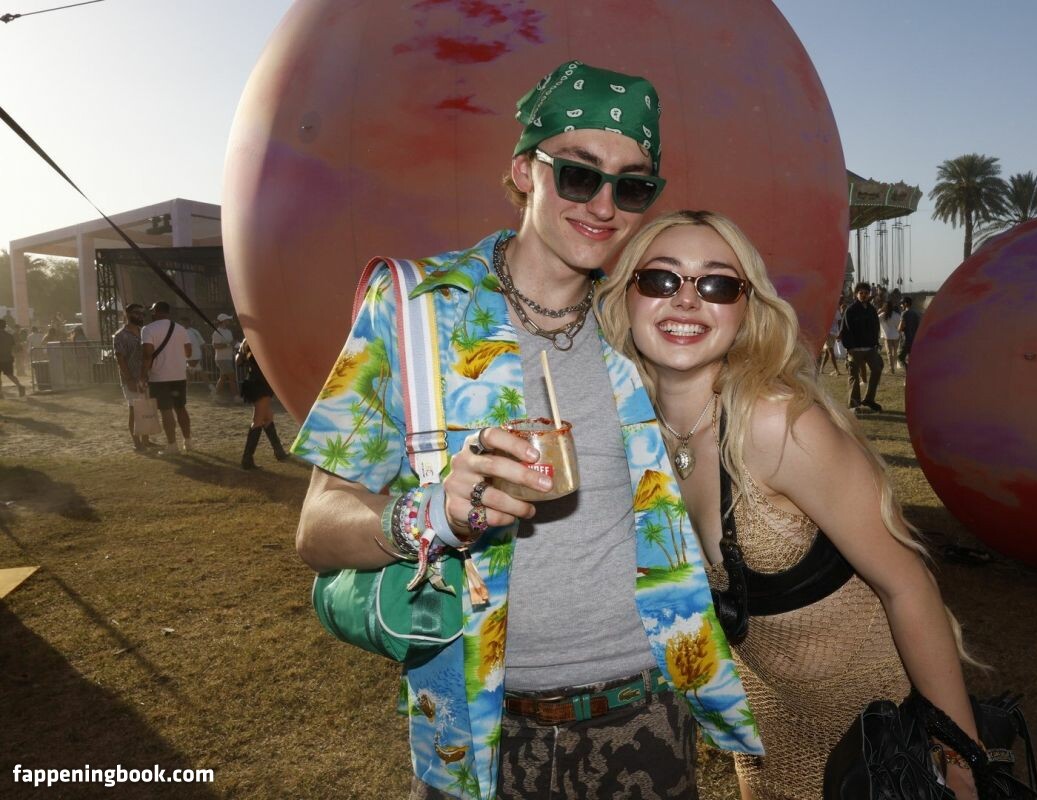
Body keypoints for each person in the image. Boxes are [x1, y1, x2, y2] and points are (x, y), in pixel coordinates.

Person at [292, 61, 762, 800]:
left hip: (645, 722)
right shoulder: (416, 307)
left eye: (631, 186)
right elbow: (316, 530)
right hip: (476, 736)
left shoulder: (643, 321)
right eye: (578, 175)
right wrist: (434, 512)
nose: (604, 206)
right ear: (523, 171)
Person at [596, 210, 981, 800]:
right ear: (626, 295)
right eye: (661, 279)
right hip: (767, 731)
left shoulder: (777, 425)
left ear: (747, 309)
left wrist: (958, 756)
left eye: (717, 284)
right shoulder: (631, 432)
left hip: (878, 729)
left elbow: (908, 585)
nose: (687, 300)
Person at [140, 301, 193, 455]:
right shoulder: (181, 328)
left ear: (155, 311)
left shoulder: (148, 329)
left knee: (166, 410)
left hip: (159, 375)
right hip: (179, 374)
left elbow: (147, 354)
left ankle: (172, 445)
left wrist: (143, 375)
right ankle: (188, 441)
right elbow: (189, 352)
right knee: (181, 407)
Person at [235, 337, 289, 469]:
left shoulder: (247, 340)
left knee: (268, 417)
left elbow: (238, 361)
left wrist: (241, 350)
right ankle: (247, 459)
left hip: (255, 381)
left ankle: (279, 452)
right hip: (261, 383)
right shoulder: (259, 340)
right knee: (258, 420)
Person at [840, 281, 883, 412]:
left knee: (877, 368)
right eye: (861, 293)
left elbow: (876, 327)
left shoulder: (871, 310)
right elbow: (845, 330)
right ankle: (854, 404)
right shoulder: (850, 310)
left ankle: (869, 399)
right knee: (854, 375)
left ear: (869, 294)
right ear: (856, 294)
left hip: (870, 348)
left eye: (866, 293)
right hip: (855, 349)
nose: (864, 295)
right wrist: (850, 348)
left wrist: (876, 343)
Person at [113, 303, 151, 450]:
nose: (140, 316)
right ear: (127, 314)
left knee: (146, 408)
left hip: (145, 377)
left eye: (142, 313)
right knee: (134, 410)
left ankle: (146, 440)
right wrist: (129, 379)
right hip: (131, 378)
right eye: (137, 313)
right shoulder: (120, 335)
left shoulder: (144, 332)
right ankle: (137, 442)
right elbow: (120, 359)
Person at [210, 313, 238, 401]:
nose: (229, 321)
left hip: (228, 358)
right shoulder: (216, 332)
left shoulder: (229, 331)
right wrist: (229, 344)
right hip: (222, 359)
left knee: (223, 378)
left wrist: (235, 345)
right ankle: (236, 397)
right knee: (232, 377)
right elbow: (215, 346)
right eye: (227, 319)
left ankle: (215, 395)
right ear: (223, 321)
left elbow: (231, 343)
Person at [818, 297, 846, 376]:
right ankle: (821, 369)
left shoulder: (827, 311)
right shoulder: (836, 311)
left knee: (830, 352)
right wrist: (839, 333)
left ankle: (836, 370)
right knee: (828, 352)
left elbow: (823, 323)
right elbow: (839, 322)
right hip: (833, 333)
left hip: (829, 333)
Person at [0, 319, 26, 398]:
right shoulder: (9, 336)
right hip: (8, 358)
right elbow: (14, 347)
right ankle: (20, 386)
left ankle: (0, 393)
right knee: (10, 375)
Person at [181, 316, 207, 384]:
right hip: (187, 357)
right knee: (197, 372)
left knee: (189, 373)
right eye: (184, 322)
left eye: (187, 322)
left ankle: (211, 387)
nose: (186, 324)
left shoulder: (195, 331)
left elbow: (202, 342)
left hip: (195, 356)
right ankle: (211, 388)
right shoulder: (180, 332)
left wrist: (207, 350)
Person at [878, 299, 902, 374]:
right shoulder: (896, 315)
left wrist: (879, 310)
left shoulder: (883, 315)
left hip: (887, 336)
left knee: (889, 353)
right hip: (896, 335)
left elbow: (874, 318)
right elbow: (900, 324)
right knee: (895, 352)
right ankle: (894, 366)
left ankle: (891, 368)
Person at [898, 296, 921, 370]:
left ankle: (908, 371)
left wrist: (898, 329)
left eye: (902, 304)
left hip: (905, 340)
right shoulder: (916, 313)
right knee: (911, 359)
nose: (901, 305)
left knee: (900, 358)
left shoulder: (904, 313)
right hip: (914, 339)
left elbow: (900, 327)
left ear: (905, 304)